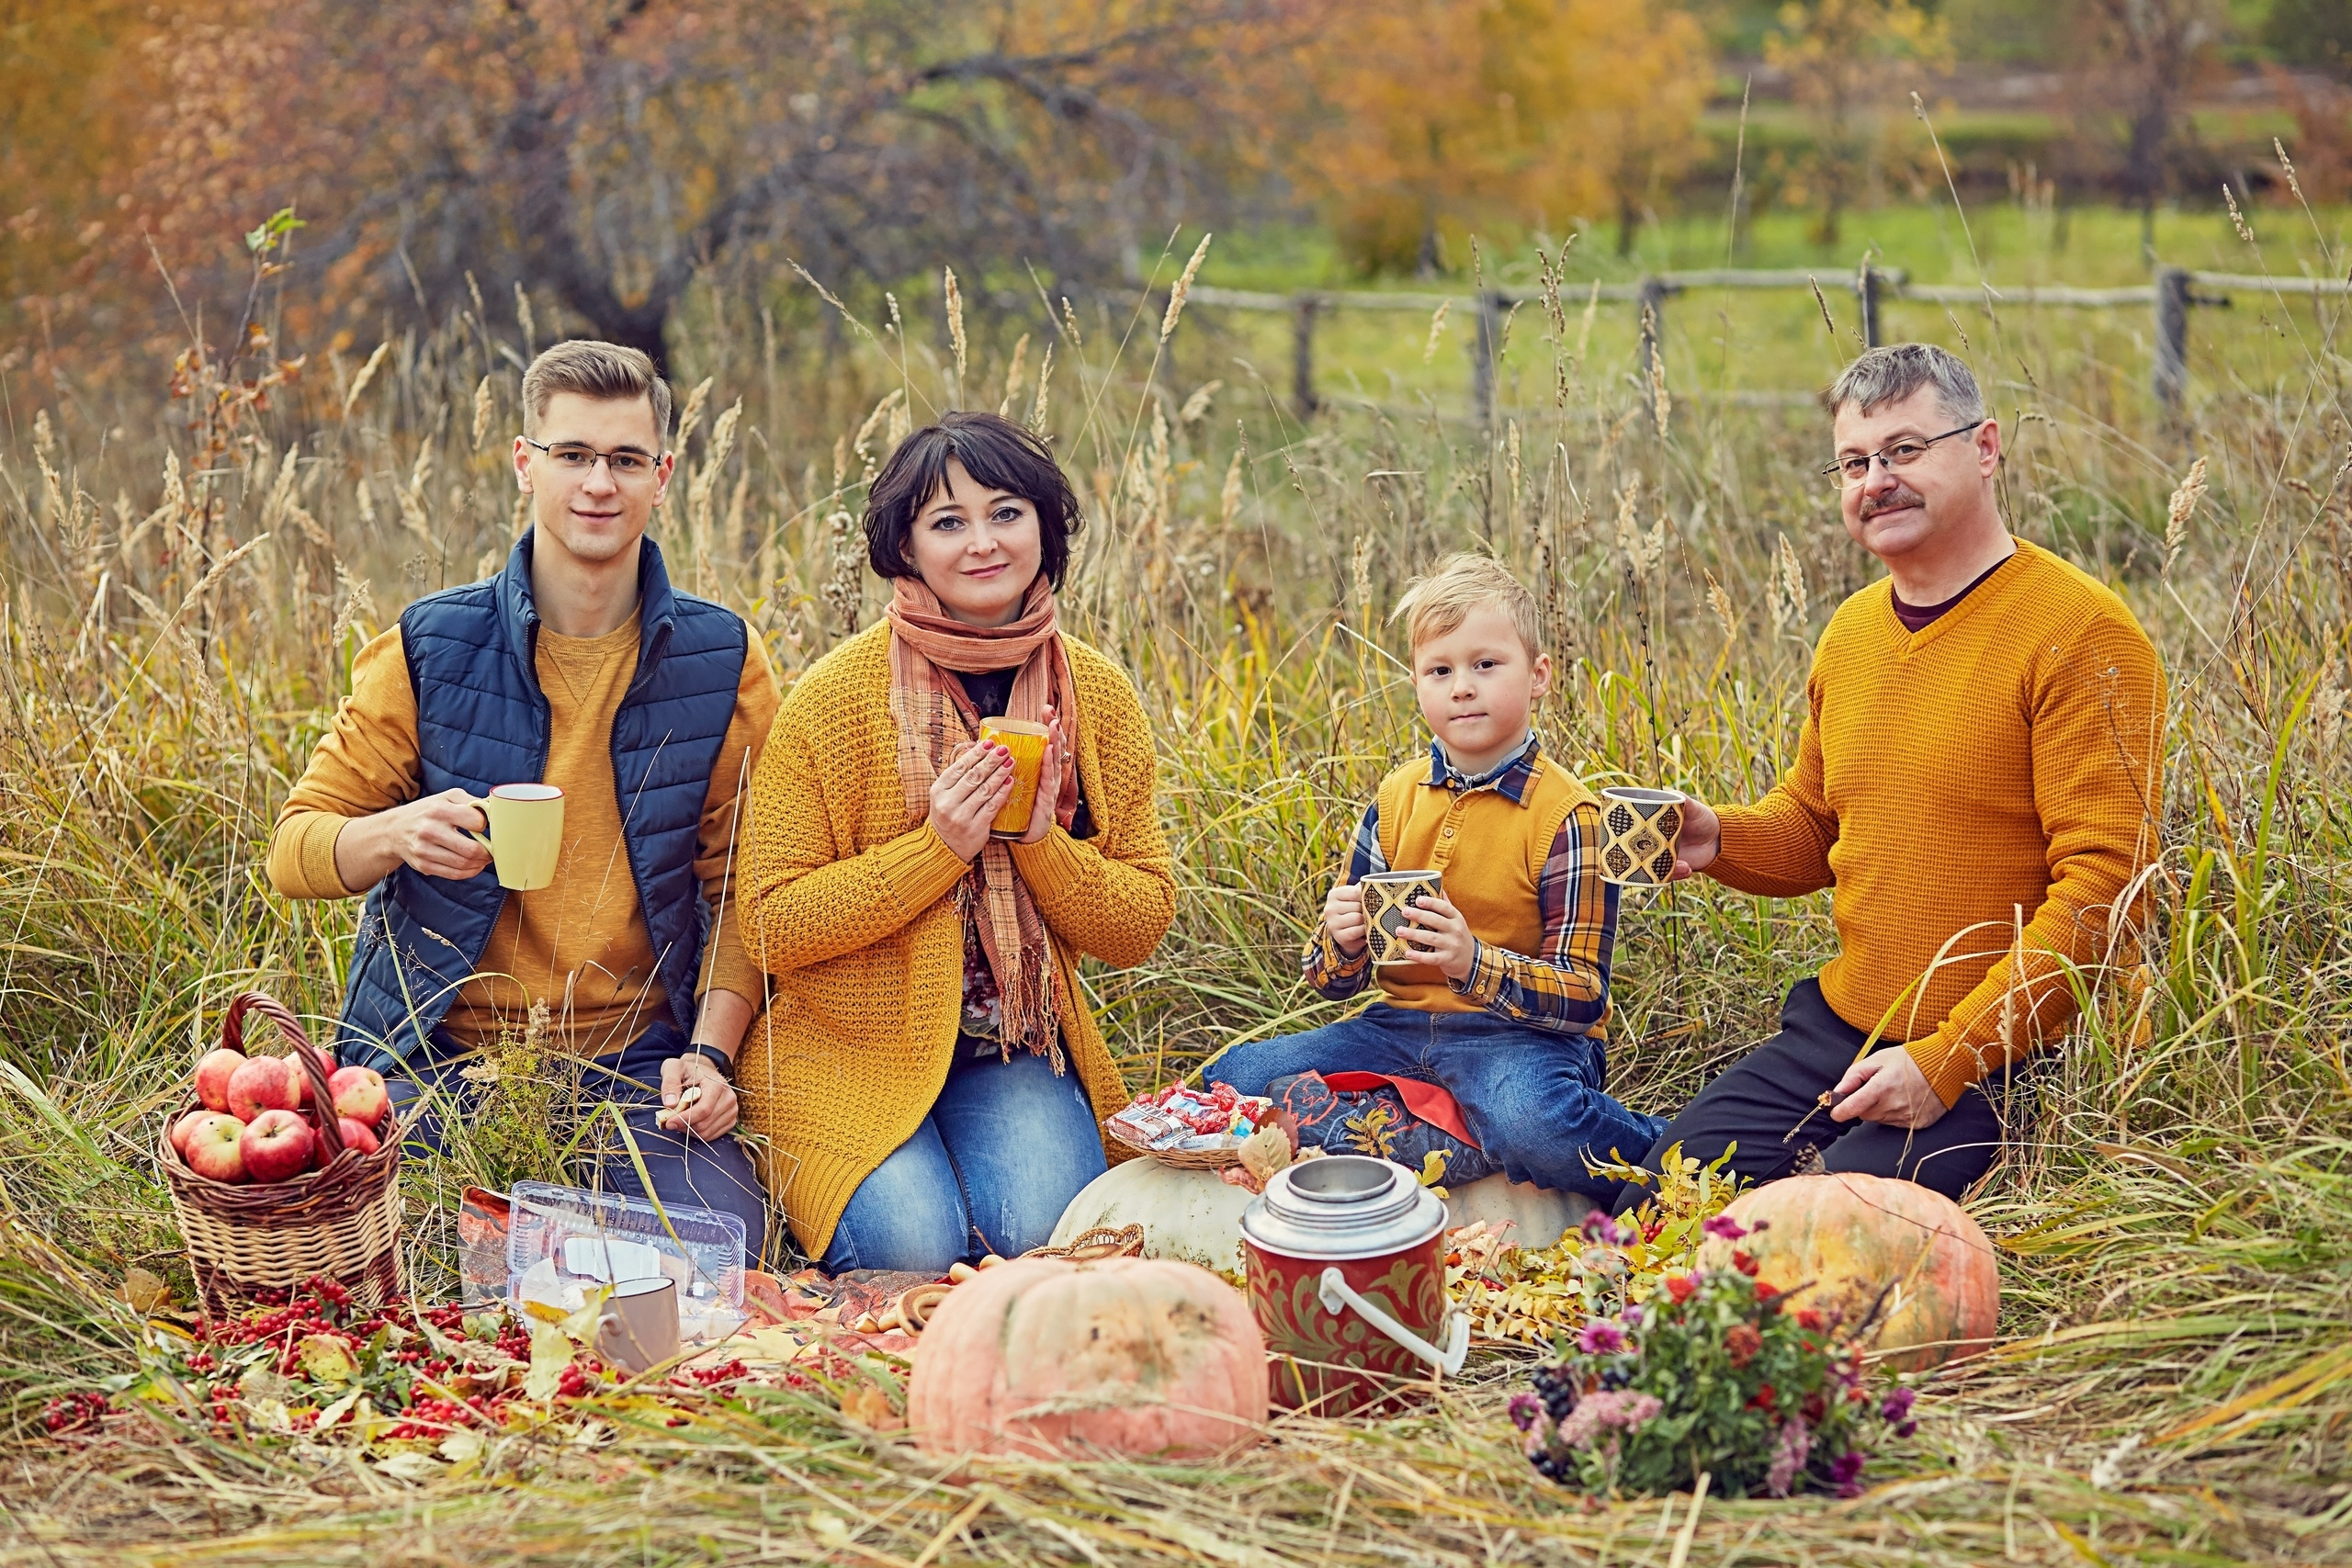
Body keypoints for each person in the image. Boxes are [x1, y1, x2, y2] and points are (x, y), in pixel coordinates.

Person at [1618, 343, 2165, 1211]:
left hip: (2006, 1057)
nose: (1877, 480)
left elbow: (2107, 888)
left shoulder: (2080, 633)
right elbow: (1814, 826)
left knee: (1819, 1226)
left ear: (1985, 447)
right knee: (1660, 1193)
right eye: (1854, 462)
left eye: (1905, 450)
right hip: (1845, 1029)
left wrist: (1947, 1059)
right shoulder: (1852, 631)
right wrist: (1715, 835)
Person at [267, 340, 780, 1257]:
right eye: (572, 455)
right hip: (441, 1057)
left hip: (634, 1062)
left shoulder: (724, 662)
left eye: (625, 460)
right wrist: (396, 833)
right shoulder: (428, 647)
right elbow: (294, 851)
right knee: (399, 1251)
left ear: (661, 476)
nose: (598, 484)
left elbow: (745, 886)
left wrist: (707, 1052)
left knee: (719, 1249)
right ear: (523, 462)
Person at [735, 411, 1174, 1272]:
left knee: (1052, 1241)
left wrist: (1043, 841)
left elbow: (1142, 921)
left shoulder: (1097, 696)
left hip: (1005, 1045)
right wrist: (936, 847)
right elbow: (769, 923)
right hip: (846, 1048)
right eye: (948, 522)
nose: (983, 543)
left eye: (1007, 512)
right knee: (910, 1247)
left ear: (1047, 528)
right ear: (905, 548)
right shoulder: (834, 700)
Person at [1202, 554, 1665, 1207]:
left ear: (1538, 677)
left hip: (1521, 1041)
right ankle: (1447, 1132)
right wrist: (1343, 938)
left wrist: (1474, 962)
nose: (1462, 687)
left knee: (1536, 1122)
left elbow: (1584, 996)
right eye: (1440, 670)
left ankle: (1673, 1150)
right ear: (1416, 683)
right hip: (1397, 1028)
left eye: (1485, 665)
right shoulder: (1395, 798)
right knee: (1231, 1079)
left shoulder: (1569, 815)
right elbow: (1332, 982)